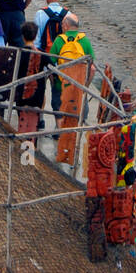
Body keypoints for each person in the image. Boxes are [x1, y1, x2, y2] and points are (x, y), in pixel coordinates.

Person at [50, 14, 94, 166]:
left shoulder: (59, 40)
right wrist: (85, 86)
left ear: (66, 26)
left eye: (63, 24)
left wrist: (53, 82)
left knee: (60, 115)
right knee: (77, 118)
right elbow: (92, 68)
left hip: (61, 86)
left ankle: (61, 150)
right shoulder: (85, 41)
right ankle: (74, 152)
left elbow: (50, 64)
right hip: (78, 88)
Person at [33, 0, 70, 130]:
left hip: (43, 57)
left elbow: (36, 41)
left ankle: (41, 120)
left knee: (40, 89)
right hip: (60, 61)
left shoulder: (40, 14)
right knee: (58, 93)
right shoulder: (68, 14)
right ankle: (57, 126)